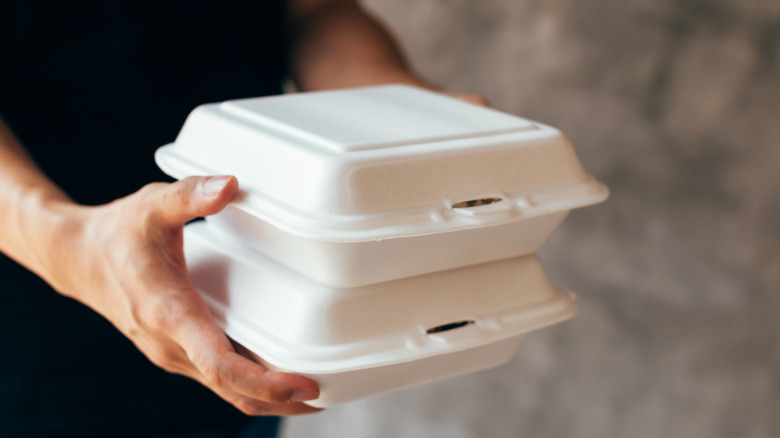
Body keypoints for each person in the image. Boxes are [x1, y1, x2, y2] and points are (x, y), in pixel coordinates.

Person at [0, 0, 484, 436]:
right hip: (35, 330)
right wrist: (69, 245)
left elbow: (314, 11)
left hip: (252, 303)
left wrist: (410, 113)